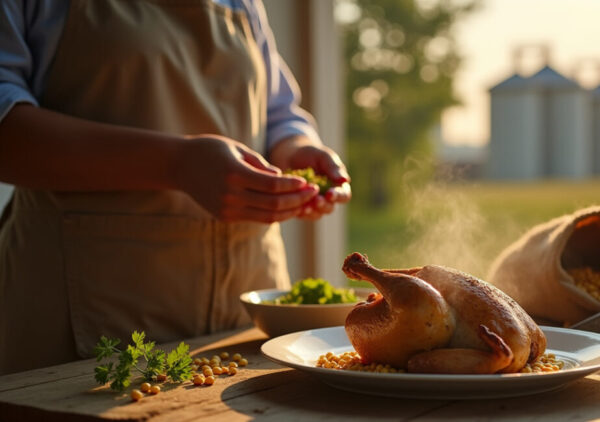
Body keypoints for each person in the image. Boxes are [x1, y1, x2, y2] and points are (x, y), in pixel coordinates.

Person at [0, 0, 351, 375]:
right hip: (85, 321)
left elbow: (277, 111)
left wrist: (296, 148)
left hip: (245, 313)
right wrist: (176, 164)